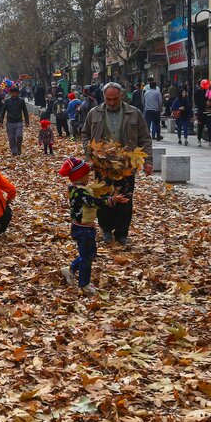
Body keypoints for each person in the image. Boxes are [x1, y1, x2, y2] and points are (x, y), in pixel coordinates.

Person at [81, 82, 153, 245]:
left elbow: (145, 137)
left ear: (121, 96)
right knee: (104, 198)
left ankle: (122, 232)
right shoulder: (95, 113)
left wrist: (148, 161)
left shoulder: (134, 113)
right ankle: (106, 230)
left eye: (115, 99)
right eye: (108, 99)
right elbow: (85, 133)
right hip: (102, 165)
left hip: (126, 165)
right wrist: (90, 152)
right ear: (104, 97)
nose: (112, 102)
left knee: (125, 200)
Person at [58, 157, 129, 295]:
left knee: (89, 254)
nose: (89, 178)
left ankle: (71, 269)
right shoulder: (79, 192)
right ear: (80, 176)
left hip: (86, 227)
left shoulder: (81, 188)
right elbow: (92, 202)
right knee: (87, 257)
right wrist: (111, 200)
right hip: (82, 229)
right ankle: (84, 284)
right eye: (87, 175)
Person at [0, 87, 30, 156]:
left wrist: (27, 121)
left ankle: (18, 147)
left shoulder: (21, 101)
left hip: (19, 121)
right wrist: (1, 122)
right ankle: (14, 151)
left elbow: (25, 111)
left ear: (18, 94)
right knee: (11, 138)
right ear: (10, 94)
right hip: (10, 122)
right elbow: (3, 112)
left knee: (19, 136)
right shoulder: (7, 101)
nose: (14, 94)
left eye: (16, 93)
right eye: (13, 93)